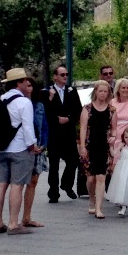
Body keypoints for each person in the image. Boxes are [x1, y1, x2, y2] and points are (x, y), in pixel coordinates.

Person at [0, 68, 40, 236]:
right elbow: (27, 127)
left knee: (0, 184)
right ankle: (13, 223)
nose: (27, 83)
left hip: (0, 149)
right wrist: (33, 146)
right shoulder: (24, 102)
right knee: (17, 185)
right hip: (19, 148)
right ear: (19, 83)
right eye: (24, 80)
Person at [43, 65, 83, 203]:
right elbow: (44, 112)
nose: (65, 77)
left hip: (68, 133)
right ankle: (53, 192)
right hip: (54, 133)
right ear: (55, 76)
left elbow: (78, 110)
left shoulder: (72, 91)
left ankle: (66, 184)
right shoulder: (47, 91)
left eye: (67, 74)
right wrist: (56, 118)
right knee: (54, 165)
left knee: (73, 161)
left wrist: (69, 119)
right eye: (62, 74)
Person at [79, 80, 118, 219]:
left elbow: (114, 129)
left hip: (104, 146)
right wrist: (82, 146)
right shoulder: (87, 109)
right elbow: (83, 128)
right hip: (90, 145)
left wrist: (113, 137)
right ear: (95, 92)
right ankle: (92, 199)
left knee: (101, 177)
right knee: (91, 179)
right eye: (100, 91)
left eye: (105, 91)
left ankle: (99, 208)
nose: (102, 94)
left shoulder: (112, 110)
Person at [20, 80, 48, 229]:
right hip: (21, 147)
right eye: (26, 85)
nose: (28, 88)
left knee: (33, 181)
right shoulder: (18, 104)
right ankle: (15, 218)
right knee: (18, 183)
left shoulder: (39, 105)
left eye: (30, 85)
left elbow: (44, 126)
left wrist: (44, 144)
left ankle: (27, 217)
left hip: (37, 147)